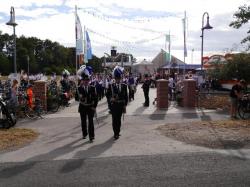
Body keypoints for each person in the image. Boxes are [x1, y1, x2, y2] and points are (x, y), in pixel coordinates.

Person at [106, 66, 128, 140]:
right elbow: (107, 95)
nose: (118, 80)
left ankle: (118, 132)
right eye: (116, 79)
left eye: (119, 78)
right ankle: (115, 133)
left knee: (118, 120)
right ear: (115, 79)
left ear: (120, 79)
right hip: (114, 106)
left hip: (121, 106)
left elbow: (126, 96)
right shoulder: (111, 86)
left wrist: (125, 105)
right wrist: (110, 99)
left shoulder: (124, 86)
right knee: (114, 120)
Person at [77, 65, 98, 142]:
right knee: (83, 122)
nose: (86, 82)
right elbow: (76, 98)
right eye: (85, 80)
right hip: (82, 107)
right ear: (82, 80)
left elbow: (96, 98)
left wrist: (94, 107)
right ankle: (84, 133)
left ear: (89, 81)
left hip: (90, 107)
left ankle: (91, 136)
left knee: (91, 122)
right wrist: (79, 97)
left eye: (87, 80)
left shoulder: (92, 88)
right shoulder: (79, 88)